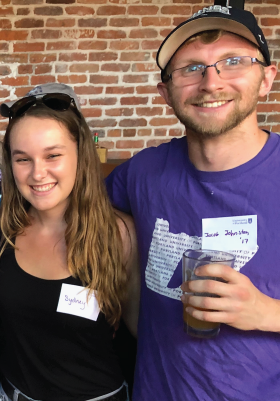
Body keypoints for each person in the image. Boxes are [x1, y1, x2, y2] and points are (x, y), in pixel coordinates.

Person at [105, 4, 280, 400]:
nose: (211, 82)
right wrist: (0, 156)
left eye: (232, 62)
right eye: (191, 68)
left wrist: (267, 312)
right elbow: (71, 201)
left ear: (267, 78)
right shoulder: (143, 173)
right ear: (165, 93)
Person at [0, 83, 138, 401]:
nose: (38, 173)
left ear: (80, 155)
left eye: (53, 155)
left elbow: (145, 334)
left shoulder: (118, 235)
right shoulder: (7, 229)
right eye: (23, 159)